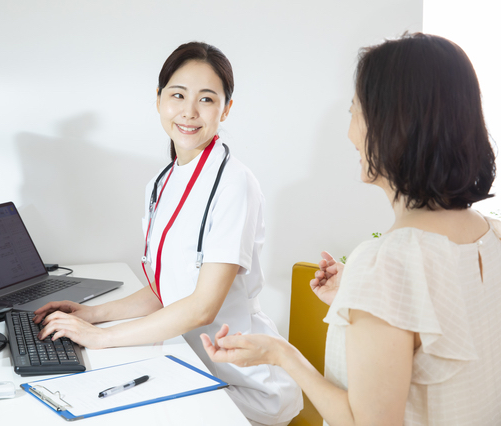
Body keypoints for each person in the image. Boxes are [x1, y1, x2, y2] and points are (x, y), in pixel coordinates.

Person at [201, 33, 501, 425]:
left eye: (354, 113)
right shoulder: (492, 235)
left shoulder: (385, 265)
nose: (350, 133)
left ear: (394, 125)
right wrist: (357, 295)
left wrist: (281, 353)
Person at [33, 41, 302, 426]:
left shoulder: (234, 184)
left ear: (226, 108)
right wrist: (91, 314)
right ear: (159, 99)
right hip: (191, 363)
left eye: (207, 99)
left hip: (245, 384)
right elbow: (168, 289)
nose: (189, 112)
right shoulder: (161, 183)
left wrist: (102, 337)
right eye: (178, 95)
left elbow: (202, 306)